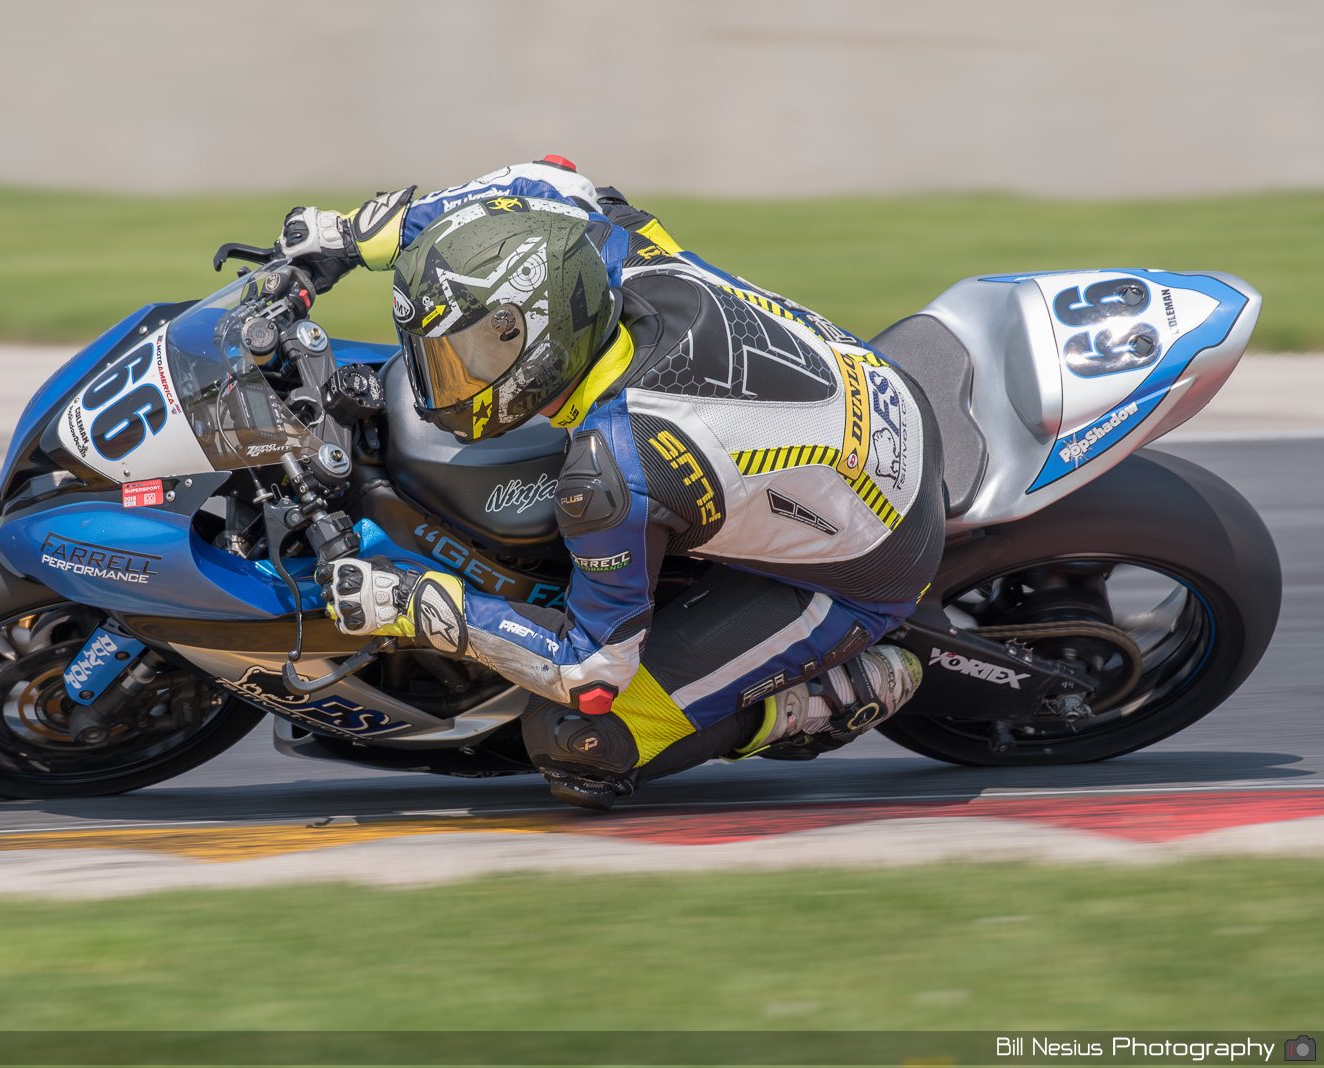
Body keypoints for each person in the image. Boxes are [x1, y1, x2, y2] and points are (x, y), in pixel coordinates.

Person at [280, 158, 943, 810]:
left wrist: (421, 604)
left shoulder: (614, 469)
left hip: (868, 562)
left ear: (537, 340)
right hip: (880, 395)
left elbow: (590, 673)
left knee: (576, 739)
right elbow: (540, 176)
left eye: (471, 357)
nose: (446, 384)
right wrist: (364, 235)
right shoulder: (600, 239)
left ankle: (821, 699)